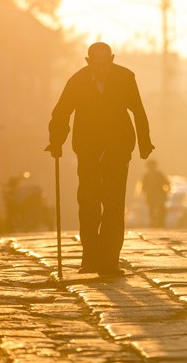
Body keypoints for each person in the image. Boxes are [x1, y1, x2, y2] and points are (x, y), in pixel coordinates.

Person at [46, 42, 154, 275]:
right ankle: (90, 259)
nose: (102, 69)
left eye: (106, 64)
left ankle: (110, 262)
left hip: (118, 149)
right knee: (88, 204)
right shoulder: (77, 82)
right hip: (88, 151)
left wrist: (144, 142)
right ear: (88, 62)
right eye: (97, 64)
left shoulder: (125, 78)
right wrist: (56, 141)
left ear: (112, 60)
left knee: (114, 205)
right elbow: (61, 112)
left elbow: (138, 110)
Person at [141, 159, 170, 228]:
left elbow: (166, 182)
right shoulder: (146, 176)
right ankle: (153, 222)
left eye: (153, 166)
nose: (151, 168)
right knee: (151, 209)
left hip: (160, 195)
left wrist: (167, 189)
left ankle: (161, 223)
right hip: (151, 196)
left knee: (161, 209)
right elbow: (143, 186)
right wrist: (145, 191)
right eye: (150, 166)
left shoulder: (159, 174)